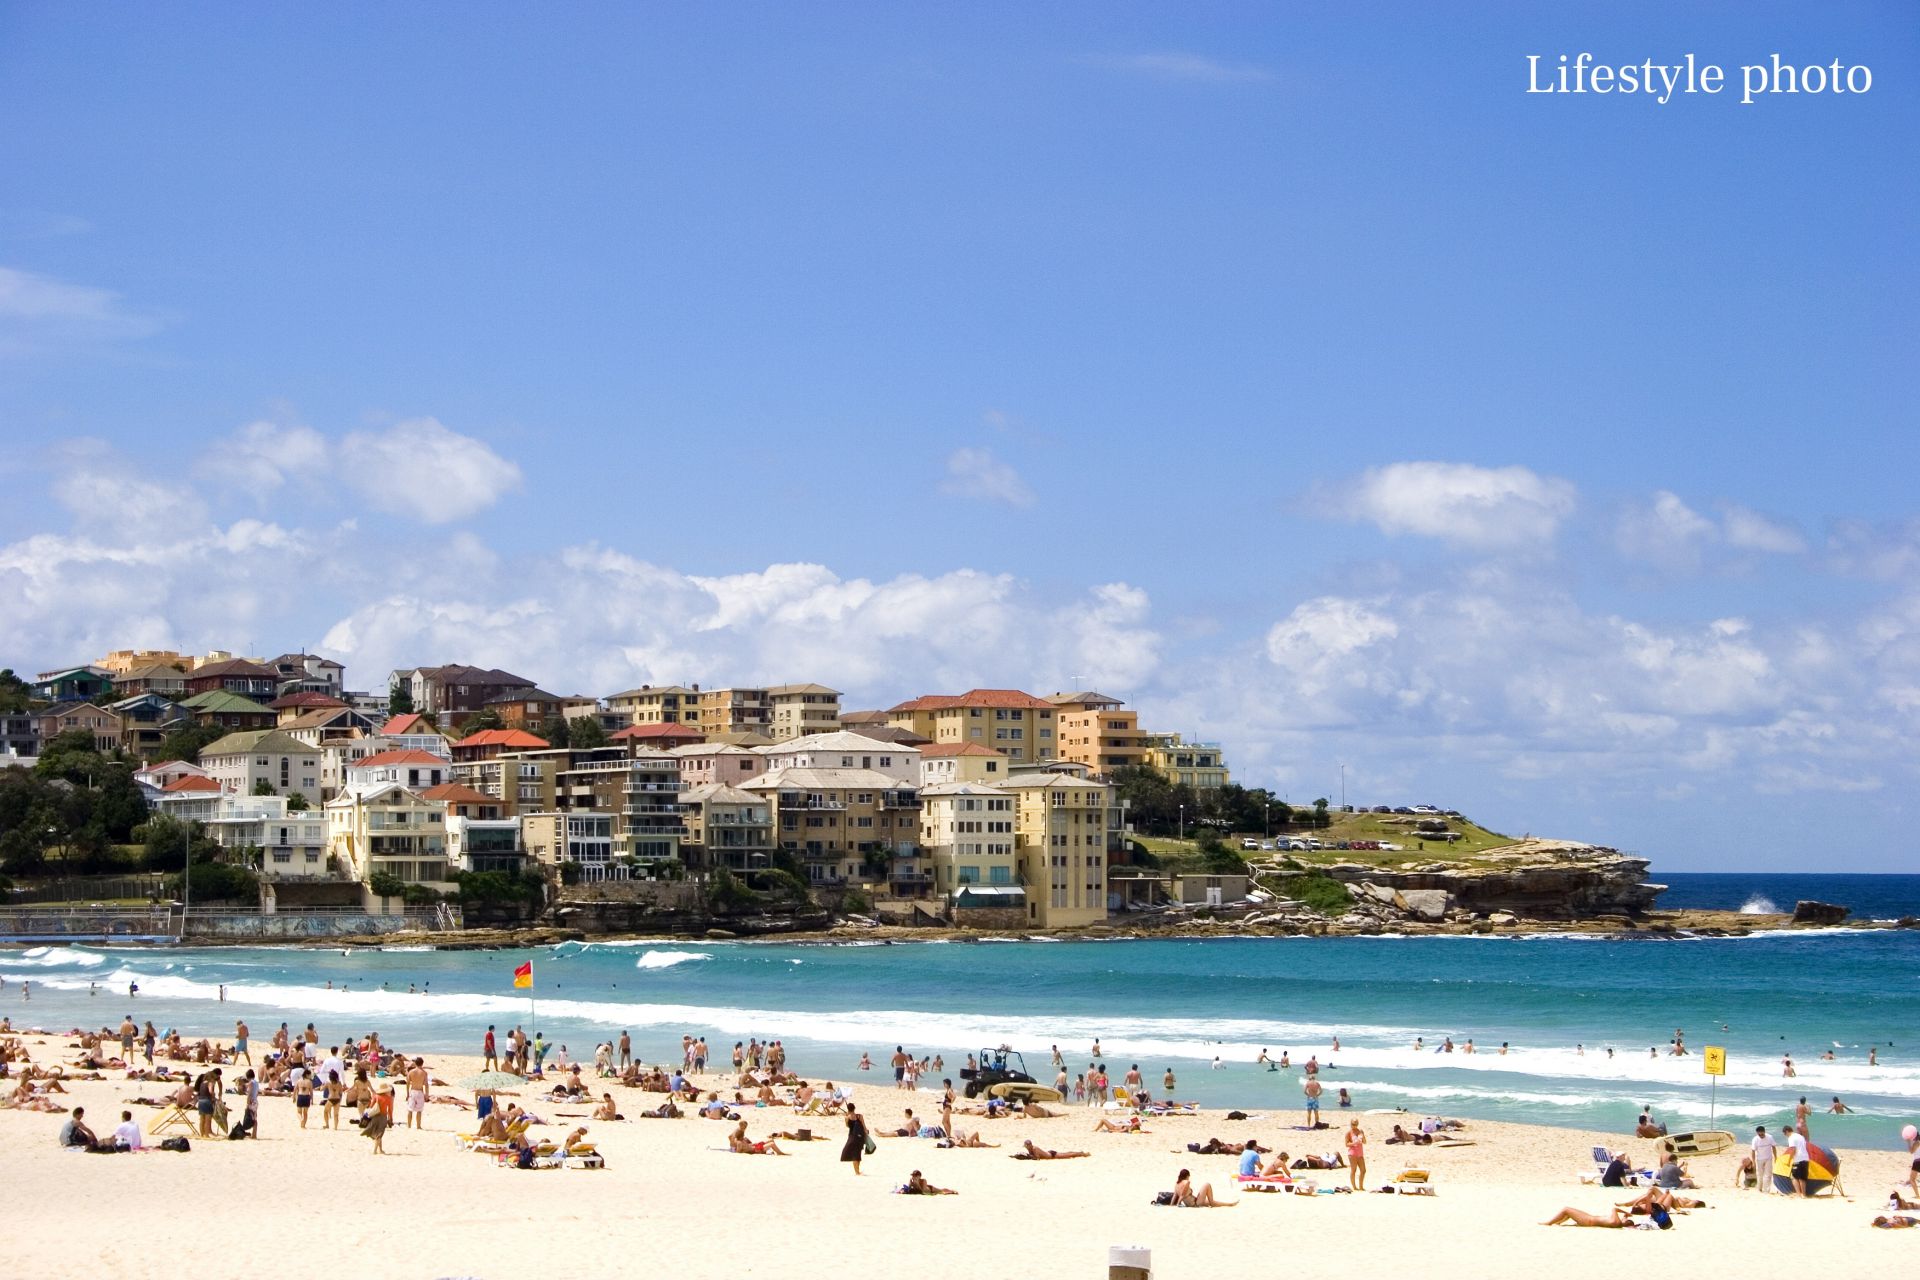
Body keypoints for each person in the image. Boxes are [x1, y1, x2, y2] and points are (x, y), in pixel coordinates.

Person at [1744, 1125, 1775, 1193]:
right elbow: (1753, 1151)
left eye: (1762, 1134)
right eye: (1759, 1134)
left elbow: (1773, 1147)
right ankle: (1760, 1188)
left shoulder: (1770, 1137)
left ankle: (1766, 1190)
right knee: (1760, 1174)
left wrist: (1775, 1157)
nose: (1761, 1136)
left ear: (1764, 1132)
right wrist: (1753, 1161)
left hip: (1768, 1158)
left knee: (1768, 1174)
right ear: (1757, 1133)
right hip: (1759, 1159)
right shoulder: (1755, 1139)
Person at [1542, 1206, 1633, 1228]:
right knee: (1569, 1213)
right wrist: (1625, 1216)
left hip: (1588, 1220)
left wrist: (1626, 1213)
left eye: (1626, 1220)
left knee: (1566, 1209)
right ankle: (1558, 1222)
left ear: (1625, 1222)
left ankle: (1549, 1223)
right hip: (1589, 1219)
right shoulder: (1618, 1224)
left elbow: (1614, 1209)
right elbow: (1623, 1221)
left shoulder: (1616, 1222)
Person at [841, 1105, 868, 1175]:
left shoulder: (847, 1118)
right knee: (858, 1153)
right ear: (854, 1108)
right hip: (860, 1137)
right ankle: (858, 1171)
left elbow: (847, 1126)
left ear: (848, 1109)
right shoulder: (859, 1116)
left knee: (854, 1154)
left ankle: (857, 1172)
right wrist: (866, 1133)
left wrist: (847, 1116)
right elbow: (864, 1127)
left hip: (852, 1137)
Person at [1786, 1122, 1811, 1196]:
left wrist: (1789, 1160)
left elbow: (1793, 1150)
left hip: (1798, 1159)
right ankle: (1804, 1194)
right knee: (1802, 1178)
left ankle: (1798, 1194)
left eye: (1785, 1134)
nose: (1786, 1136)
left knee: (1794, 1177)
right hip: (1806, 1158)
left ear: (1787, 1131)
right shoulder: (1800, 1136)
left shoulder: (1791, 1138)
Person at [1014, 1139, 1088, 1160]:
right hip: (1049, 1154)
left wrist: (1028, 1156)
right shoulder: (1030, 1148)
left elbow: (1037, 1158)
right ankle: (1080, 1153)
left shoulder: (1034, 1148)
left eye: (1026, 1146)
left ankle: (1082, 1154)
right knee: (1066, 1153)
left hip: (1052, 1155)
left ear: (1029, 1145)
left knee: (1068, 1155)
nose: (1026, 1147)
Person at [1346, 1120, 1367, 1190]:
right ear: (1350, 1124)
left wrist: (1363, 1135)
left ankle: (1361, 1186)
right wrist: (1353, 1143)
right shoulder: (1349, 1133)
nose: (1354, 1126)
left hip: (1360, 1153)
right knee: (1353, 1170)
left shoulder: (1360, 1131)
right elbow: (1346, 1144)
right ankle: (1354, 1187)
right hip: (1352, 1153)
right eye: (1353, 1124)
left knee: (1363, 1170)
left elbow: (1365, 1142)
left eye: (1355, 1124)